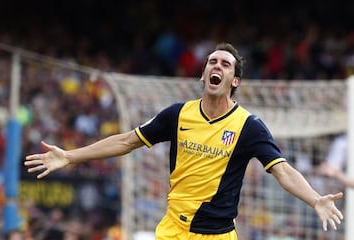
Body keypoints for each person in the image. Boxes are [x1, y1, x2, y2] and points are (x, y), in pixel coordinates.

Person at [25, 43, 344, 240]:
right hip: (172, 231)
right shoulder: (178, 115)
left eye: (225, 64)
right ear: (204, 75)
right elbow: (126, 141)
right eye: (212, 62)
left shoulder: (249, 127)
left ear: (234, 81)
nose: (216, 66)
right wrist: (70, 156)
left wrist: (315, 199)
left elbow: (283, 171)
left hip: (216, 236)